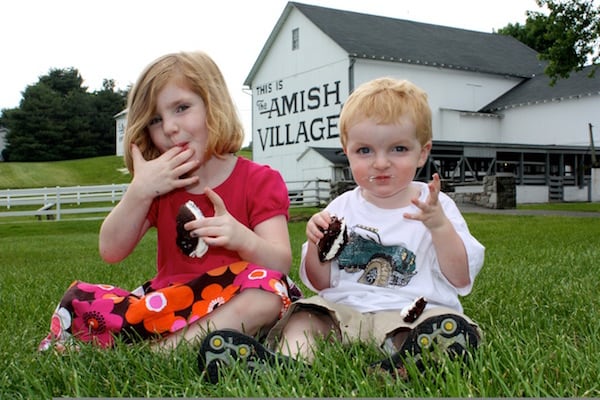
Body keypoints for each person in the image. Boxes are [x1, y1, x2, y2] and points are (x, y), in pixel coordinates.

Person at [197, 77, 485, 382]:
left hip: (412, 313)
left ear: (422, 152)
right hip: (344, 311)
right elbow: (321, 283)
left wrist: (439, 226)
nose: (381, 162)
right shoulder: (340, 209)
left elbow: (459, 277)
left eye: (398, 148)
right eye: (365, 151)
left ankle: (409, 362)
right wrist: (317, 244)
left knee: (439, 325)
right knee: (306, 317)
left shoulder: (435, 206)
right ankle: (289, 363)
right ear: (346, 152)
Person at [38, 51, 301, 352]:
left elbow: (280, 264)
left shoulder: (258, 180)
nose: (170, 127)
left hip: (240, 298)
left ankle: (164, 353)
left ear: (213, 105)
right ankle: (197, 342)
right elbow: (111, 250)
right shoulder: (159, 187)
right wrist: (140, 191)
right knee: (80, 301)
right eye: (155, 120)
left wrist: (242, 238)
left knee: (266, 295)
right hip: (173, 302)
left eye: (182, 108)